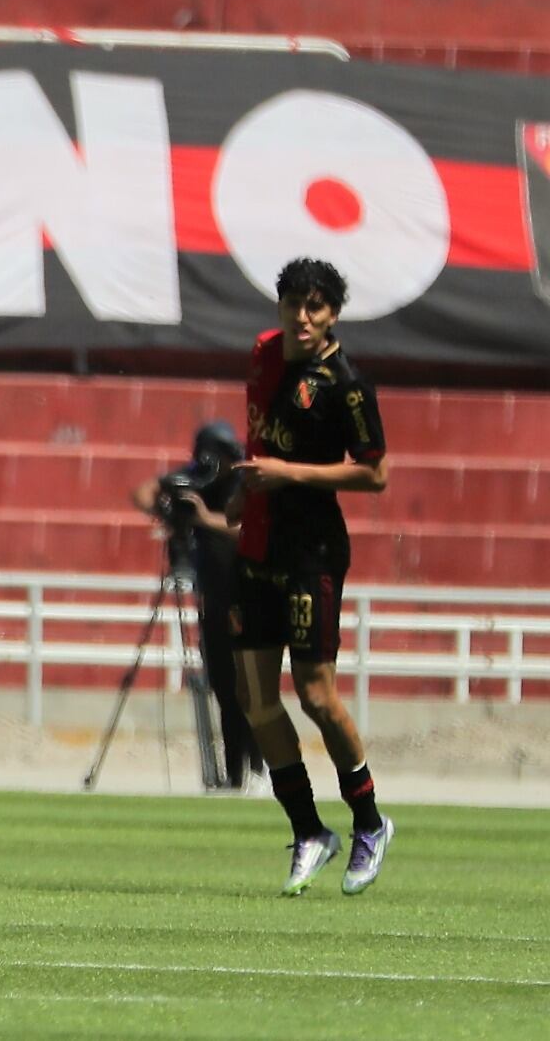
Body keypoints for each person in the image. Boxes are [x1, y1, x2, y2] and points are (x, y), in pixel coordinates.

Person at [227, 257, 394, 896]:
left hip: (311, 553)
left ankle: (371, 824)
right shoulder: (265, 356)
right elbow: (259, 440)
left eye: (315, 306)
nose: (302, 316)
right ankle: (309, 831)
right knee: (255, 699)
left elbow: (375, 473)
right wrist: (241, 499)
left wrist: (289, 475)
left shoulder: (346, 385)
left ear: (332, 315)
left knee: (317, 694)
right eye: (293, 303)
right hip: (258, 547)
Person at [130, 421, 265, 791]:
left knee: (248, 689)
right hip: (214, 598)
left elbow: (252, 527)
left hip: (247, 597)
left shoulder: (242, 480)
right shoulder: (194, 478)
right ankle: (233, 776)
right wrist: (167, 513)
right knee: (223, 687)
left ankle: (257, 768)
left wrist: (206, 519)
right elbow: (142, 492)